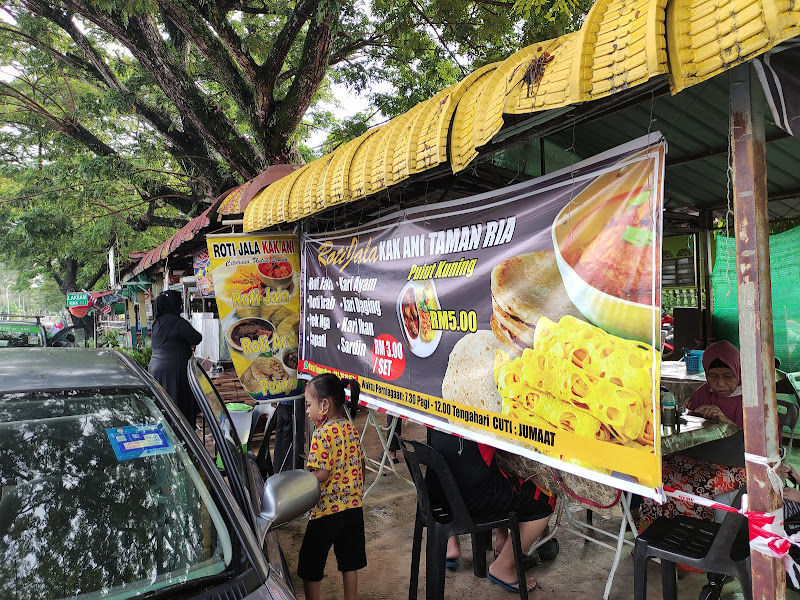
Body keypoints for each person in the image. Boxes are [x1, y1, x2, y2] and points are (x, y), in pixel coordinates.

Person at [429, 430, 555, 593]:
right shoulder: (485, 408)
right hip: (472, 500)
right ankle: (503, 566)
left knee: (494, 468)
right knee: (546, 500)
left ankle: (458, 542)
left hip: (437, 497)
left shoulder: (437, 406)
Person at [640, 340, 747, 528]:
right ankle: (659, 537)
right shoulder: (702, 393)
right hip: (699, 457)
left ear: (738, 371)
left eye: (727, 376)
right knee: (658, 474)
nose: (720, 383)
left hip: (739, 465)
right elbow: (685, 420)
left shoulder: (750, 399)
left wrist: (727, 422)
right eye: (713, 377)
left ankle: (700, 539)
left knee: (693, 486)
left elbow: (761, 446)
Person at [298, 373, 366, 600]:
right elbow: (361, 465)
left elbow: (323, 473)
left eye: (309, 405)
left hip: (327, 511)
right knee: (350, 564)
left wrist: (304, 479)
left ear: (324, 405)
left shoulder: (321, 434)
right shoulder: (351, 429)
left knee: (310, 565)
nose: (307, 411)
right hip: (353, 508)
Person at [147, 290, 203, 423]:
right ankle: (184, 436)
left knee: (164, 407)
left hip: (155, 370)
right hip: (174, 371)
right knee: (180, 408)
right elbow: (197, 337)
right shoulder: (177, 322)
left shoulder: (157, 323)